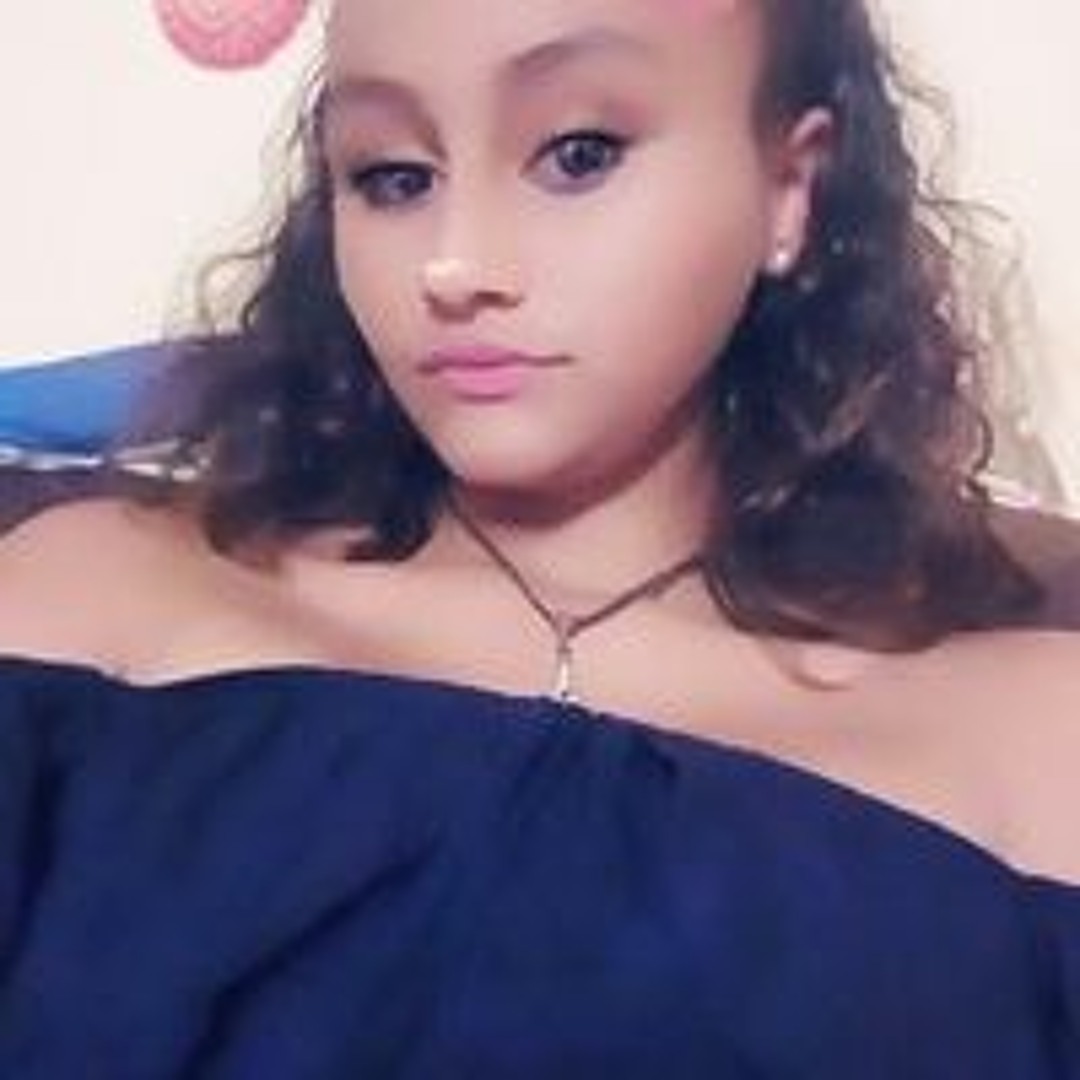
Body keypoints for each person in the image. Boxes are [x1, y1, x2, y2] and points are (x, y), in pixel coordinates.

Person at [0, 0, 1077, 1074]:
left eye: (578, 154)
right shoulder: (93, 599)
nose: (453, 266)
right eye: (393, 177)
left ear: (789, 186)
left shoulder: (1033, 744)